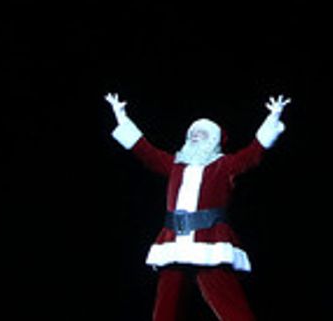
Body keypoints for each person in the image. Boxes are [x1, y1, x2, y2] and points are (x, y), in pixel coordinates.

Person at [105, 92, 290, 321]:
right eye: (192, 134)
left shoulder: (224, 166)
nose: (194, 137)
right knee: (165, 305)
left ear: (213, 140)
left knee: (228, 302)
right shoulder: (175, 165)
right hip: (174, 242)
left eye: (201, 134)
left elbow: (253, 153)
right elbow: (145, 151)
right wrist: (121, 117)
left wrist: (272, 118)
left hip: (209, 242)